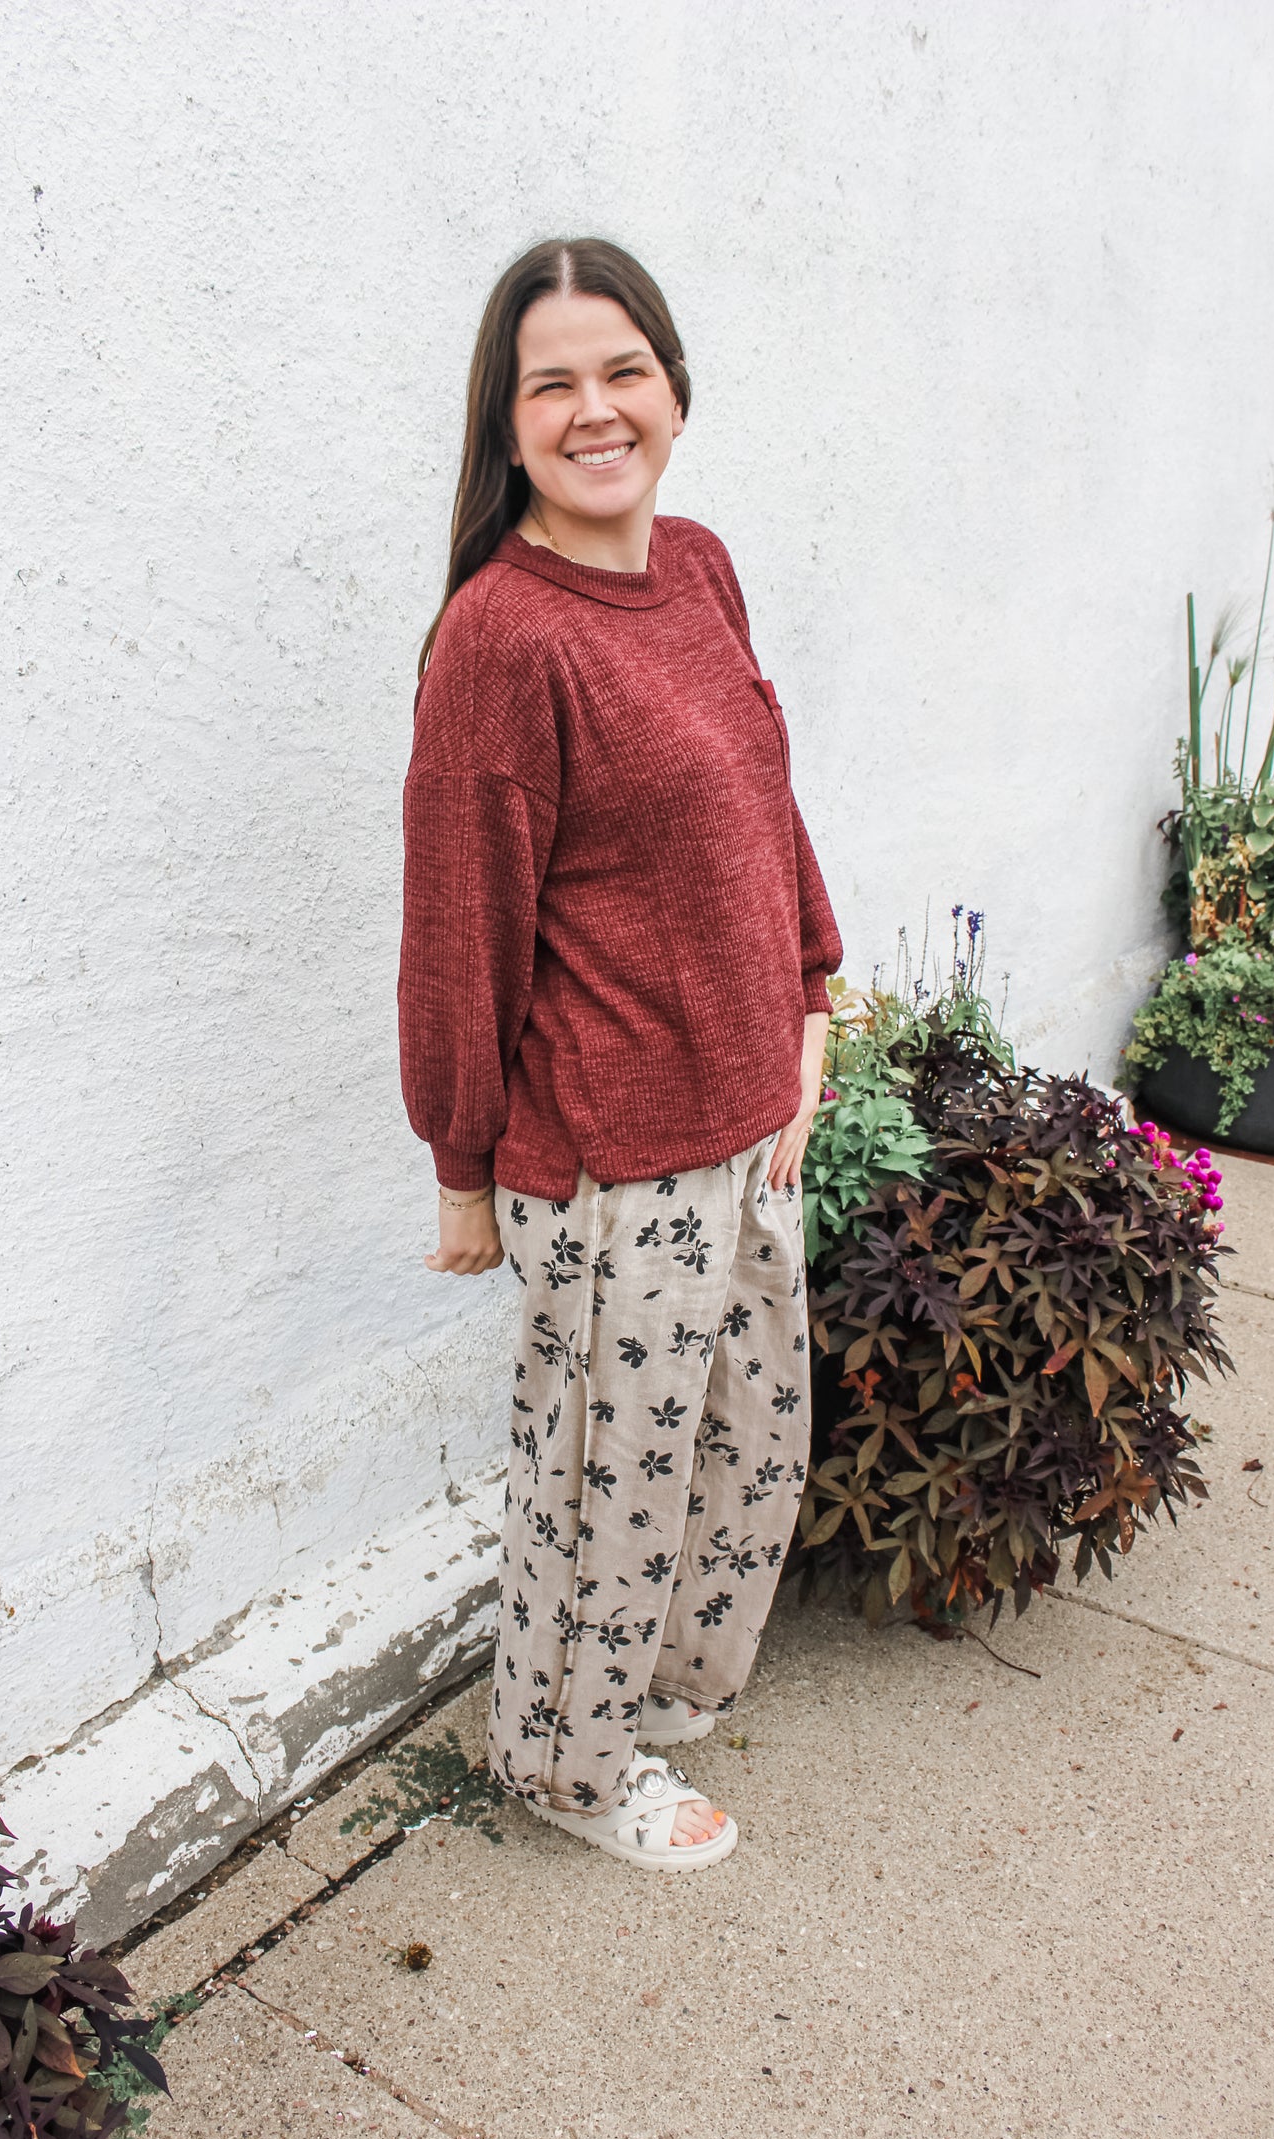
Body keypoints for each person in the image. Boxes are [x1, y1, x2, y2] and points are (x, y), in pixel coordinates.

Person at [397, 237, 843, 1872]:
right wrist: (462, 1168)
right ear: (504, 426)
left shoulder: (702, 567)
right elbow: (458, 928)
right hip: (610, 1161)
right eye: (551, 384)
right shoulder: (501, 640)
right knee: (605, 1494)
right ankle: (565, 1768)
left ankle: (647, 1702)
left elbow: (759, 794)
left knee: (745, 1452)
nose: (596, 410)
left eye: (622, 369)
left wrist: (811, 1002)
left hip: (748, 1124)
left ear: (672, 385)